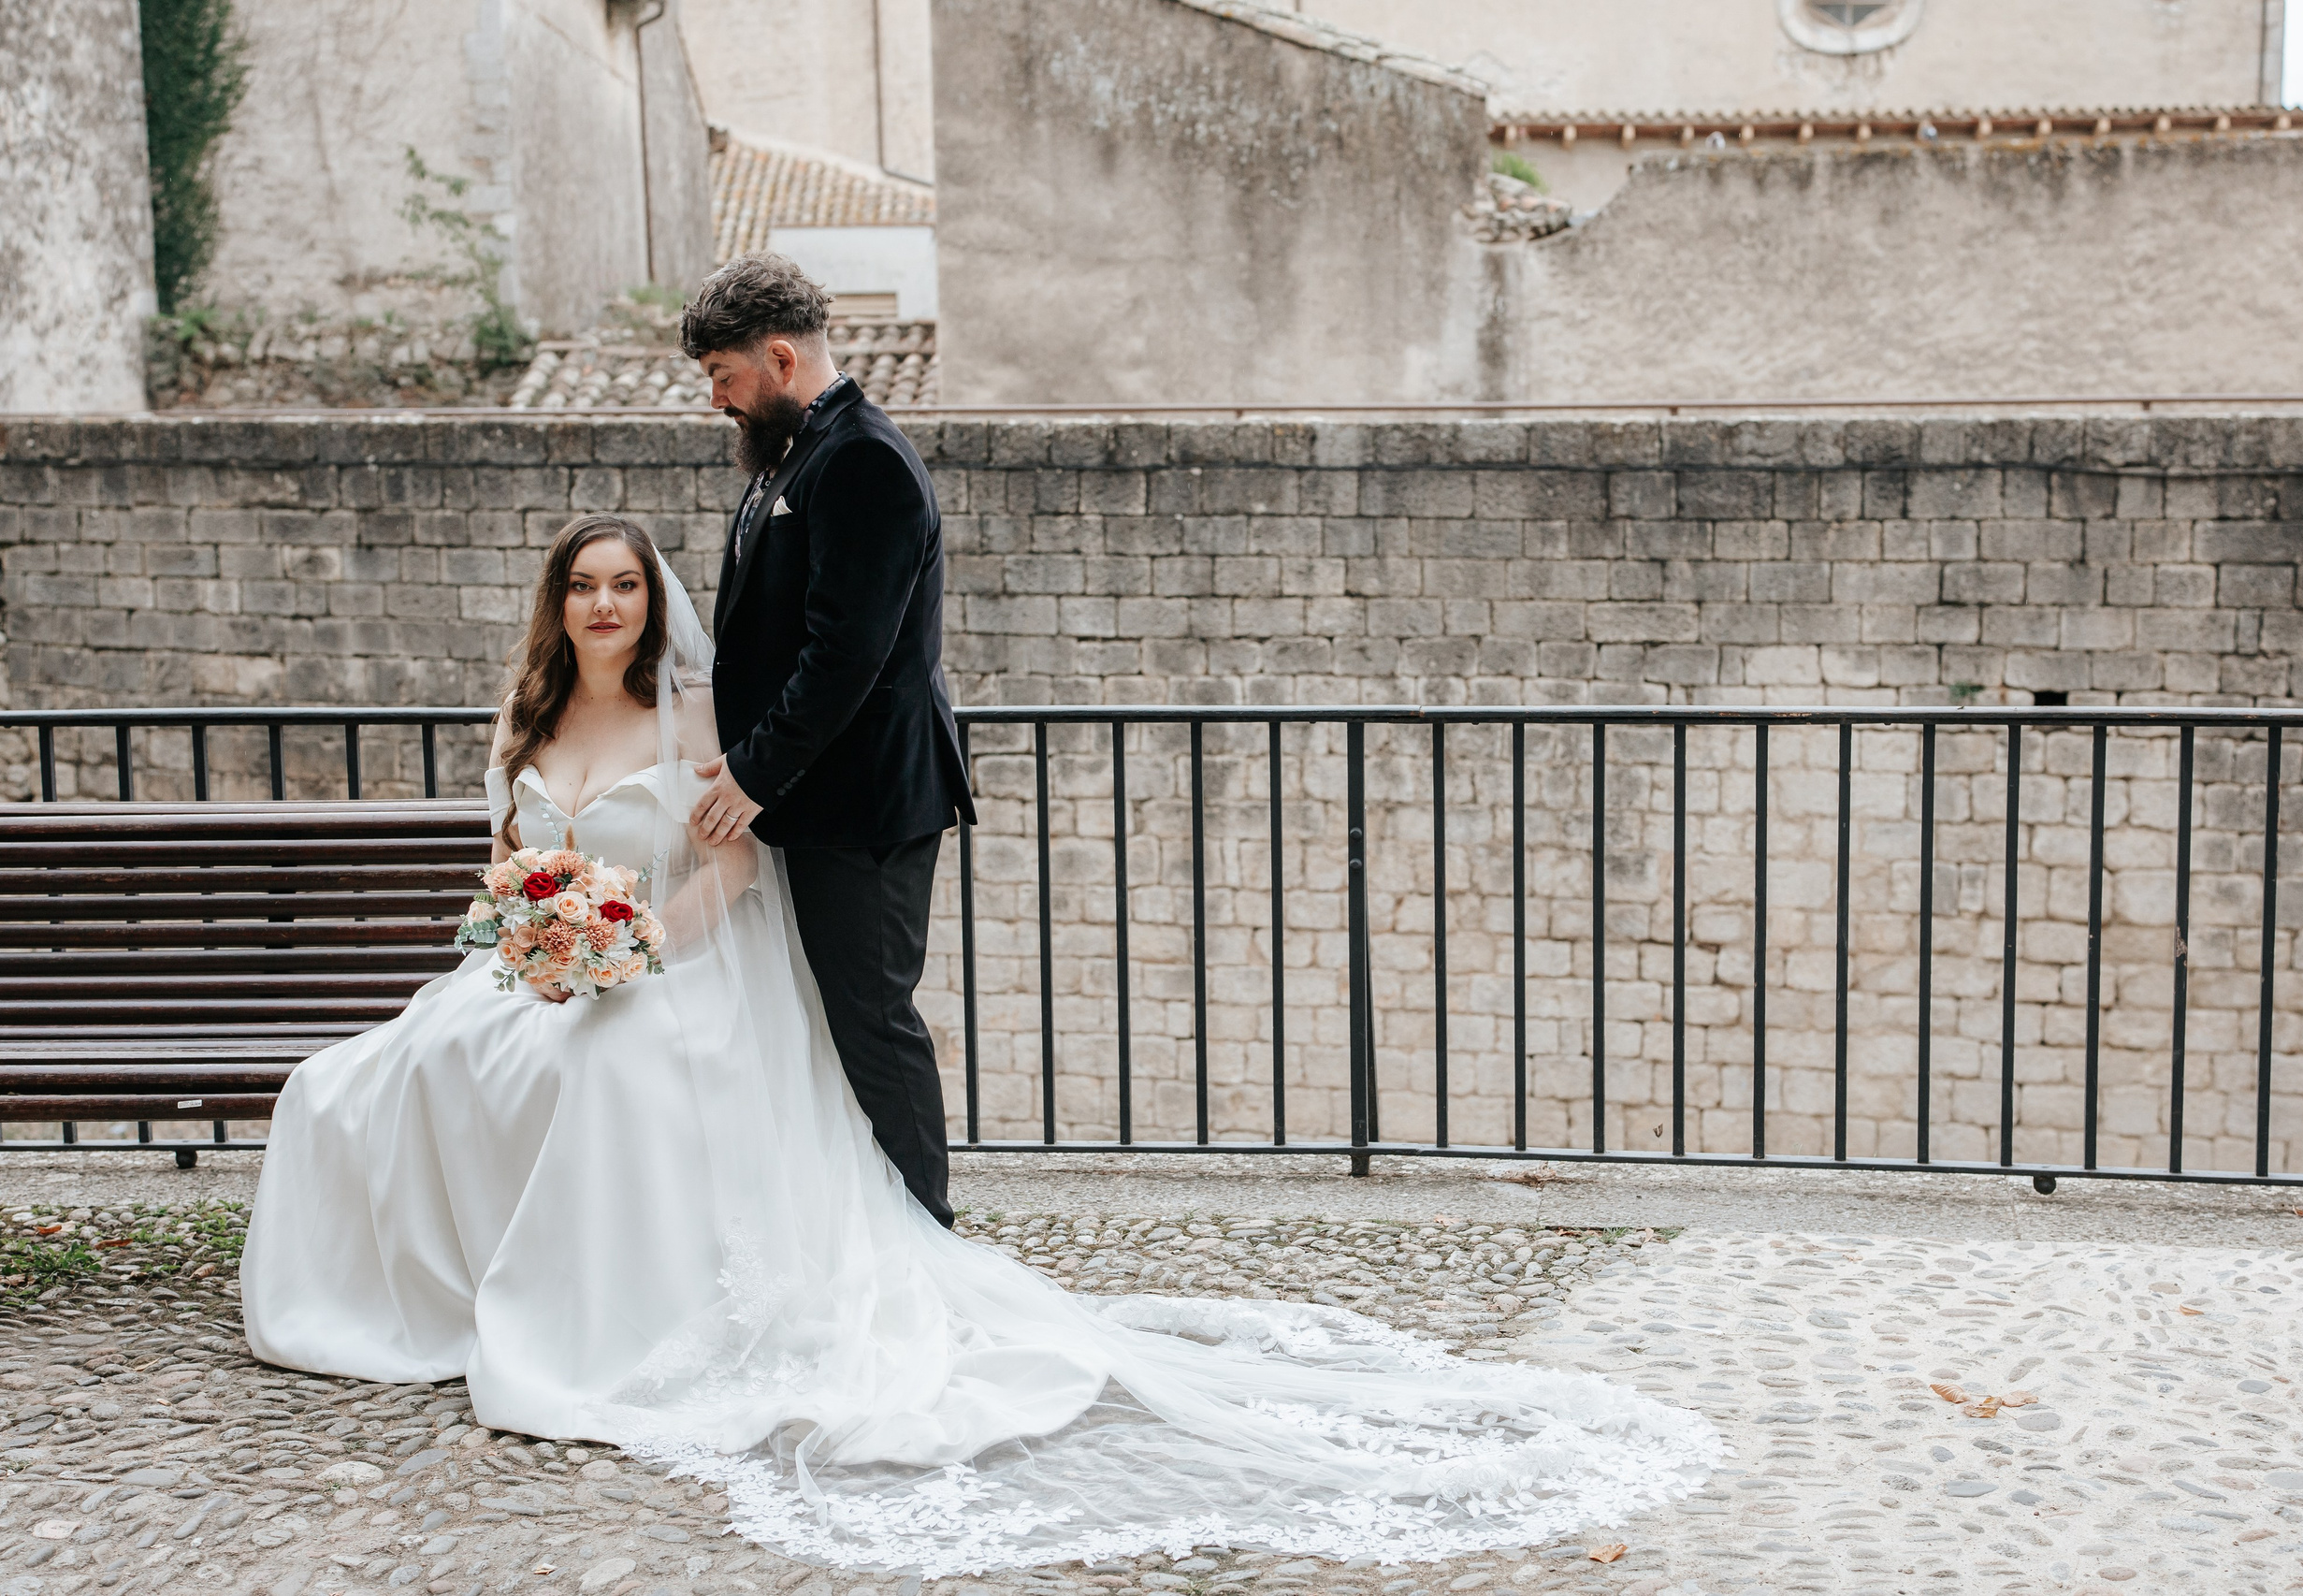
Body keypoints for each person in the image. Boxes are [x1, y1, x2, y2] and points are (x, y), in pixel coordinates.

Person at [241, 518, 1719, 1575]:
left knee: (590, 1074)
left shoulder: (693, 714)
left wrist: (623, 954)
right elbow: (509, 870)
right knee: (361, 1078)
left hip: (654, 975)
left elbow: (731, 875)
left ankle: (590, 1315)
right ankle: (438, 1288)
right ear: (557, 607)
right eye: (586, 587)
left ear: (652, 600)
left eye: (627, 584)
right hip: (536, 972)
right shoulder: (528, 719)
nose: (607, 605)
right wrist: (529, 943)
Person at [680, 253, 971, 1228]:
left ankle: (928, 1234)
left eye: (724, 376)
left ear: (777, 356)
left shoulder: (864, 461)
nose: (718, 398)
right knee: (829, 1015)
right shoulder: (795, 457)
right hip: (820, 797)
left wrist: (754, 773)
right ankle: (864, 1225)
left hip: (868, 803)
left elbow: (847, 650)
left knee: (874, 1019)